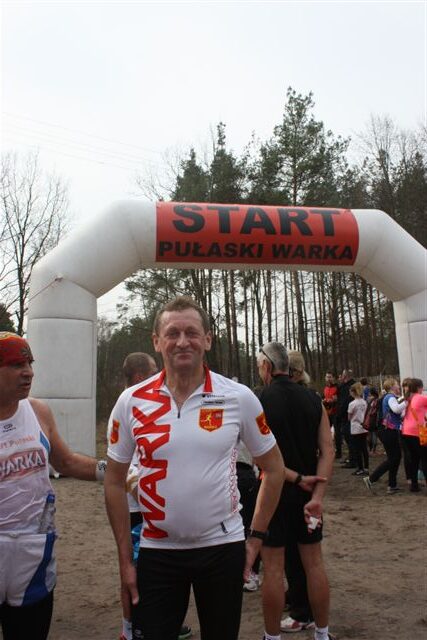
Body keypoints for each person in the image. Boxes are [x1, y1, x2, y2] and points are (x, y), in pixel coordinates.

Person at [104, 296, 285, 640]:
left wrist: (256, 538)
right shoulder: (131, 401)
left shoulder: (239, 397)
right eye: (172, 333)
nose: (182, 341)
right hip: (157, 550)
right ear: (157, 342)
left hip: (222, 547)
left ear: (208, 340)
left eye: (192, 332)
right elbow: (113, 481)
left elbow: (274, 469)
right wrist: (125, 560)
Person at [0, 332, 107, 640]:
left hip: (33, 554)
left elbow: (66, 462)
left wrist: (114, 472)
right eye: (16, 365)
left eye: (30, 363)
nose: (28, 372)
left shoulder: (37, 412)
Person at [110, 352, 191, 640]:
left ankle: (160, 622)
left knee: (158, 574)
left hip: (152, 507)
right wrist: (151, 495)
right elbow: (124, 469)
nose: (160, 374)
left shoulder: (155, 402)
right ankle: (130, 629)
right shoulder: (128, 405)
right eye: (155, 369)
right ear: (140, 377)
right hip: (139, 509)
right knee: (134, 569)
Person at [257, 342, 335, 640]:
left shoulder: (260, 400)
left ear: (266, 366)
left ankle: (272, 637)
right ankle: (322, 633)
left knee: (273, 569)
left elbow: (261, 457)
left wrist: (294, 477)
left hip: (273, 493)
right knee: (314, 564)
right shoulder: (313, 399)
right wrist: (317, 496)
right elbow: (327, 450)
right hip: (308, 496)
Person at [363, 378, 405, 495]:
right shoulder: (390, 397)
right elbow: (396, 409)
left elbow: (397, 413)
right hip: (388, 431)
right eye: (396, 384)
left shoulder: (389, 397)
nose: (399, 386)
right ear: (392, 386)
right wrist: (407, 401)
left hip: (387, 430)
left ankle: (392, 485)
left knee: (395, 457)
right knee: (393, 458)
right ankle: (372, 479)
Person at [401, 378, 427, 492]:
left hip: (406, 432)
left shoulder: (407, 398)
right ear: (418, 388)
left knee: (414, 459)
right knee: (425, 459)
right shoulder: (420, 398)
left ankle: (414, 485)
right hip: (417, 432)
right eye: (422, 387)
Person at [347, 382, 368, 476]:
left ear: (353, 392)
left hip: (355, 428)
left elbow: (349, 417)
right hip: (364, 427)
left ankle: (360, 468)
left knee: (357, 449)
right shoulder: (364, 402)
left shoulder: (352, 404)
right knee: (364, 448)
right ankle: (366, 467)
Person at [336, 369, 356, 466]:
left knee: (350, 438)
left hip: (347, 416)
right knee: (351, 439)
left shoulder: (346, 388)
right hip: (354, 416)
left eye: (343, 375)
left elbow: (344, 402)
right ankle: (352, 457)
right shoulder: (354, 385)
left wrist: (339, 414)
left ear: (345, 376)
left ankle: (353, 460)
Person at [322, 372, 338, 441]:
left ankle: (338, 446)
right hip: (326, 413)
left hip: (335, 412)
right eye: (327, 377)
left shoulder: (337, 387)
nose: (328, 379)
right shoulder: (325, 388)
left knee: (337, 431)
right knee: (326, 430)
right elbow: (323, 397)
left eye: (330, 377)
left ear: (333, 378)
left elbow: (339, 400)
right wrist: (323, 400)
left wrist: (334, 400)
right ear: (325, 378)